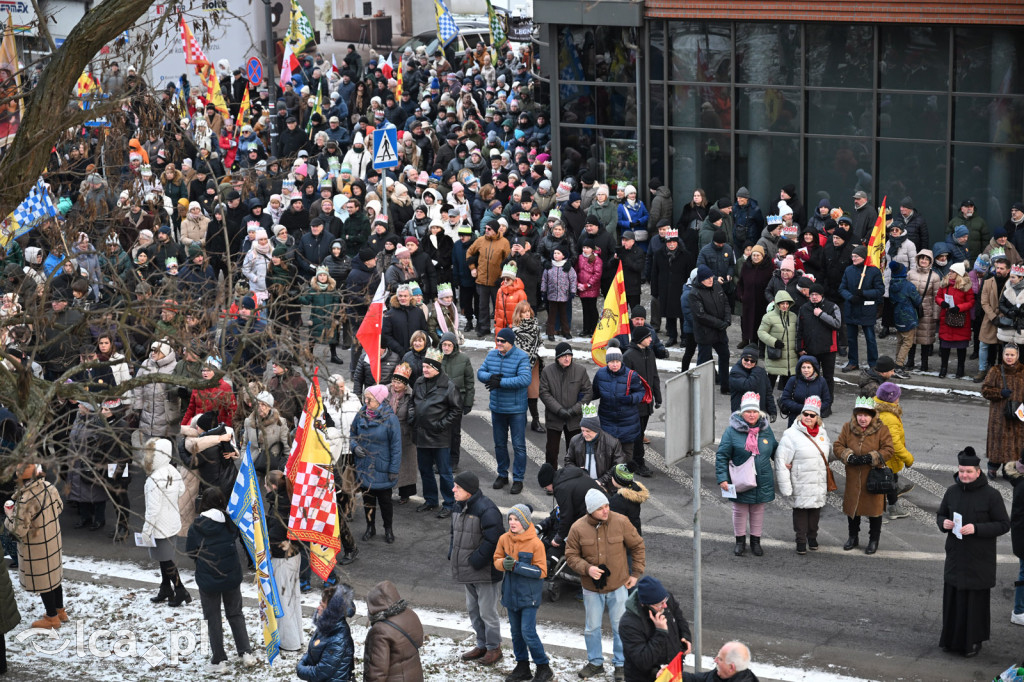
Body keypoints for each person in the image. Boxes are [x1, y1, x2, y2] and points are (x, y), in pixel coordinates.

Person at [565, 489, 646, 681]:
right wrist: (587, 569)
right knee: (591, 628)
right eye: (601, 507)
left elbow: (638, 546)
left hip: (618, 586)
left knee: (621, 628)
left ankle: (621, 664)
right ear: (591, 510)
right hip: (591, 589)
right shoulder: (577, 528)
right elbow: (570, 556)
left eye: (607, 506)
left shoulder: (621, 522)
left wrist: (635, 574)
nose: (605, 510)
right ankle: (595, 662)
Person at [937, 446, 1009, 657]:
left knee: (974, 605)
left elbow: (1003, 524)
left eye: (968, 472)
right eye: (961, 471)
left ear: (978, 472)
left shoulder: (991, 495)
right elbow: (940, 514)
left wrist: (976, 528)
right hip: (956, 557)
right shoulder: (951, 491)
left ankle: (973, 642)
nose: (964, 475)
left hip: (979, 560)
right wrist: (944, 523)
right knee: (953, 601)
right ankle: (950, 641)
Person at [185, 487, 256, 672]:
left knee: (212, 618)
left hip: (208, 579)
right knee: (236, 614)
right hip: (231, 575)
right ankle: (246, 652)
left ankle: (219, 660)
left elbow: (191, 551)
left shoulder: (197, 526)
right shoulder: (229, 522)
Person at [449, 470, 505, 667]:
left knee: (487, 613)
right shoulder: (457, 507)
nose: (453, 489)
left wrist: (476, 561)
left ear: (469, 491)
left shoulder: (487, 509)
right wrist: (452, 554)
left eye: (458, 487)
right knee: (473, 610)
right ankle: (482, 644)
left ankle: (493, 648)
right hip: (468, 570)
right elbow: (454, 534)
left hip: (485, 572)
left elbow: (495, 540)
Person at [493, 504, 552, 682]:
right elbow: (496, 559)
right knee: (516, 633)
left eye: (516, 519)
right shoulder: (504, 539)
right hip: (510, 595)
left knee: (528, 632)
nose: (512, 522)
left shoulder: (536, 543)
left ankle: (543, 667)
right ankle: (522, 666)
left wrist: (517, 566)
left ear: (525, 521)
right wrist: (503, 564)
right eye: (510, 519)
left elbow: (541, 571)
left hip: (529, 597)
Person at [3, 463, 66, 629]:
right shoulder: (49, 487)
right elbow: (59, 508)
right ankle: (60, 610)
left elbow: (19, 529)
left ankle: (52, 617)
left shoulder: (25, 500)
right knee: (54, 577)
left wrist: (9, 515)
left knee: (44, 581)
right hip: (53, 539)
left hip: (36, 546)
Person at [716, 392, 779, 557]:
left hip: (762, 479)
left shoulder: (766, 430)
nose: (752, 415)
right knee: (739, 509)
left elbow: (775, 450)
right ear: (741, 413)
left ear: (759, 413)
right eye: (748, 412)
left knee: (758, 510)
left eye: (754, 412)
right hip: (739, 479)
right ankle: (740, 541)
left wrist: (786, 461)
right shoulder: (731, 432)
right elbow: (722, 455)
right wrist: (722, 478)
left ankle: (756, 542)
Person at [834, 397, 894, 555]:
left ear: (872, 416)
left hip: (873, 478)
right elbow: (838, 446)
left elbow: (889, 449)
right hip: (853, 477)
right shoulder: (848, 427)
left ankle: (874, 540)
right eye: (860, 415)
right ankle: (853, 537)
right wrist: (848, 456)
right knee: (852, 510)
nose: (862, 418)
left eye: (866, 415)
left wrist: (871, 457)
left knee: (874, 512)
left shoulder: (882, 429)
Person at [478, 327, 532, 493]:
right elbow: (480, 372)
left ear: (511, 343)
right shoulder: (492, 355)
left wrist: (500, 382)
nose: (499, 343)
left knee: (518, 446)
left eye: (503, 341)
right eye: (498, 340)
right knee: (499, 444)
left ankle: (518, 479)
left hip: (516, 409)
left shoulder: (522, 357)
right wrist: (490, 378)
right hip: (498, 408)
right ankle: (502, 474)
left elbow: (525, 379)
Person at [775, 396, 831, 554]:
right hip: (800, 481)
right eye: (805, 414)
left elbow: (828, 453)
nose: (808, 417)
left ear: (817, 418)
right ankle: (800, 540)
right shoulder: (790, 435)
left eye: (812, 415)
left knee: (815, 512)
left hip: (818, 481)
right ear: (801, 415)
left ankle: (812, 537)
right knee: (800, 511)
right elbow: (781, 462)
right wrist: (786, 488)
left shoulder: (822, 434)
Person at [411, 348, 462, 518]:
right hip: (421, 435)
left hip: (439, 438)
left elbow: (456, 410)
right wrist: (413, 417)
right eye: (424, 366)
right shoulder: (418, 382)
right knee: (425, 471)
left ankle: (449, 503)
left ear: (437, 368)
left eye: (428, 367)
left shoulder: (448, 386)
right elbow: (413, 403)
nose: (425, 369)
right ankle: (431, 500)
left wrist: (441, 425)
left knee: (445, 472)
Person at [350, 385, 402, 543]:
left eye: (369, 399)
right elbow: (352, 435)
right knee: (368, 502)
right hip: (365, 466)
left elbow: (396, 446)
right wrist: (355, 447)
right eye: (365, 398)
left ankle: (388, 529)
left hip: (382, 468)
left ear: (379, 400)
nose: (366, 402)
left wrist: (393, 469)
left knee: (386, 503)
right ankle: (370, 527)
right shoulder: (360, 415)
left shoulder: (391, 419)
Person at [142, 438, 190, 606]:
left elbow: (152, 510)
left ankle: (180, 589)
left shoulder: (153, 479)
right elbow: (181, 490)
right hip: (172, 521)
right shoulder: (172, 470)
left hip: (159, 525)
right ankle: (165, 588)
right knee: (165, 558)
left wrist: (146, 531)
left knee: (167, 559)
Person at [619, 576, 691, 682]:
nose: (665, 605)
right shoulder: (629, 624)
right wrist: (660, 631)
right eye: (660, 604)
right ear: (645, 605)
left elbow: (680, 619)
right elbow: (643, 661)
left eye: (665, 601)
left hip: (672, 670)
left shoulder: (665, 599)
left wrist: (686, 636)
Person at [265, 471, 304, 652]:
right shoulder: (290, 499)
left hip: (282, 559)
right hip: (295, 556)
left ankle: (289, 642)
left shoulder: (279, 507)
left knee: (283, 600)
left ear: (273, 487)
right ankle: (297, 637)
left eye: (266, 486)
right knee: (293, 599)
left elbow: (275, 535)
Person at [539, 342, 593, 469]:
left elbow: (588, 393)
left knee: (574, 452)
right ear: (557, 357)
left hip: (574, 419)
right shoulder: (548, 371)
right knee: (551, 452)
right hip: (554, 418)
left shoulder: (580, 371)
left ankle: (571, 478)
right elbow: (544, 393)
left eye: (569, 355)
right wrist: (559, 410)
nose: (567, 358)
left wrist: (574, 410)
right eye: (564, 356)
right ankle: (550, 480)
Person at [591, 344, 646, 462]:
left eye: (617, 361)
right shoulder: (600, 374)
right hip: (607, 422)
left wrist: (631, 398)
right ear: (607, 362)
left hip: (628, 423)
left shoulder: (631, 375)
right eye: (611, 362)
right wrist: (582, 396)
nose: (614, 364)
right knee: (607, 457)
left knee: (626, 458)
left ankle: (623, 480)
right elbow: (595, 392)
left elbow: (641, 392)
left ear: (621, 361)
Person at [362, 580, 424, 682]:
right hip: (414, 676)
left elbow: (377, 672)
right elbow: (419, 641)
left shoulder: (380, 630)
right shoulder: (410, 614)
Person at [622, 325, 662, 477]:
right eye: (648, 337)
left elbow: (654, 376)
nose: (651, 339)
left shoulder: (649, 353)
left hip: (647, 402)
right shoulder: (628, 356)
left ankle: (633, 461)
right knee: (637, 435)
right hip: (635, 403)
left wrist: (657, 396)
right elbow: (625, 382)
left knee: (640, 433)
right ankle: (638, 463)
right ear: (640, 339)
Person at [980, 343, 1024, 479]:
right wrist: (1000, 393)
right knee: (997, 442)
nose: (1009, 357)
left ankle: (1008, 469)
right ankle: (992, 467)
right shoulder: (995, 370)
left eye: (1012, 355)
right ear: (1003, 355)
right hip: (998, 415)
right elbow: (985, 390)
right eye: (1007, 354)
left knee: (1015, 443)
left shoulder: (1023, 371)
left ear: (1017, 356)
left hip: (1018, 415)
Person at [874, 382, 916, 520]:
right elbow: (895, 444)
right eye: (897, 396)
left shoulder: (881, 411)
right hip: (888, 458)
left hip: (882, 455)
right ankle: (893, 508)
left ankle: (890, 495)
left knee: (891, 479)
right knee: (890, 480)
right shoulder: (889, 417)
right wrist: (908, 458)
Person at [297, 585, 356, 682]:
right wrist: (303, 662)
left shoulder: (338, 638)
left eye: (322, 606)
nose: (318, 608)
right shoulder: (326, 626)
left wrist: (300, 669)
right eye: (320, 603)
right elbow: (313, 652)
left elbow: (320, 673)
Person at [840, 245, 884, 372]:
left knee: (870, 338)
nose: (853, 258)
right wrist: (850, 297)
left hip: (867, 310)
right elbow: (842, 288)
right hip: (851, 309)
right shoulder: (848, 270)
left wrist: (864, 293)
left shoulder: (874, 271)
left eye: (856, 256)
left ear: (863, 257)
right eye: (852, 256)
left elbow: (880, 290)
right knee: (851, 339)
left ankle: (873, 364)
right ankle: (853, 362)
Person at [689, 264, 731, 394]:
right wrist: (720, 323)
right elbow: (700, 315)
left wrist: (727, 320)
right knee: (704, 360)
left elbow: (725, 303)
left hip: (720, 331)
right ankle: (698, 387)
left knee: (725, 355)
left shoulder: (716, 286)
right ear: (701, 279)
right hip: (705, 333)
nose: (710, 280)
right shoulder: (694, 293)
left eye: (711, 277)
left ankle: (725, 385)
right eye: (707, 278)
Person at [565, 407, 626, 491]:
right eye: (582, 430)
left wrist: (601, 481)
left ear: (596, 429)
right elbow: (568, 460)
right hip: (581, 484)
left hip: (605, 487)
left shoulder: (612, 443)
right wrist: (577, 472)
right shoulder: (575, 440)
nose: (584, 434)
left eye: (588, 431)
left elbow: (617, 467)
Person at [440, 332, 474, 471]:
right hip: (439, 401)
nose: (446, 347)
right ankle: (440, 460)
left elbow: (469, 382)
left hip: (456, 401)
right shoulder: (436, 357)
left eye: (449, 345)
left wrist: (468, 402)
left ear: (454, 346)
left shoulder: (464, 359)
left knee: (454, 433)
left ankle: (454, 460)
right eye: (444, 344)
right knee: (440, 432)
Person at [936, 262, 975, 379]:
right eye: (950, 271)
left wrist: (959, 308)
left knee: (961, 347)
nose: (950, 273)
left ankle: (960, 368)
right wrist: (941, 302)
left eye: (952, 271)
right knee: (945, 346)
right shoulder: (944, 284)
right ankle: (943, 368)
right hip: (946, 319)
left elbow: (971, 302)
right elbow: (938, 296)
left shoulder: (966, 286)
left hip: (961, 320)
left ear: (958, 274)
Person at [758, 290, 799, 391]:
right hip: (776, 356)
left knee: (788, 389)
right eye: (782, 303)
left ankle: (785, 405)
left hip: (791, 359)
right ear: (777, 304)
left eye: (787, 303)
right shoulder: (768, 317)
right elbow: (761, 332)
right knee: (769, 386)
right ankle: (765, 404)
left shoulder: (793, 316)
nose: (785, 306)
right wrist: (774, 342)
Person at [736, 245, 773, 348]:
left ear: (762, 256)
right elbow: (740, 283)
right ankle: (747, 341)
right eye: (754, 255)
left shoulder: (768, 267)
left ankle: (759, 345)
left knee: (760, 322)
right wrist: (741, 296)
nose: (755, 257)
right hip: (748, 300)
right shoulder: (746, 266)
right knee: (746, 322)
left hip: (762, 301)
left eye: (758, 255)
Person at [779, 356, 832, 425]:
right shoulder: (793, 380)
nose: (806, 370)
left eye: (809, 367)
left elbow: (827, 401)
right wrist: (804, 409)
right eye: (803, 367)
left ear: (814, 368)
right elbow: (785, 399)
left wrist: (813, 410)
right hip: (795, 419)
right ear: (799, 368)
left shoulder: (821, 381)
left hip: (814, 419)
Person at [728, 345, 777, 419]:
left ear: (756, 362)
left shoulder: (760, 372)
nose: (749, 362)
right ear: (742, 358)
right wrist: (756, 371)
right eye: (746, 359)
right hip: (741, 414)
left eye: (752, 361)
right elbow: (748, 386)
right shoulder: (735, 372)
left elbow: (768, 393)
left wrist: (772, 411)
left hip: (759, 414)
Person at [683, 641, 758, 682]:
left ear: (731, 667)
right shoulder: (719, 674)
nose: (715, 660)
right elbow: (696, 679)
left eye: (720, 659)